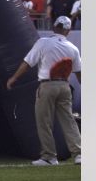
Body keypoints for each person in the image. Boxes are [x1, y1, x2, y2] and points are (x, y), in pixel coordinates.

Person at [6, 16, 82, 165]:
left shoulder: (43, 42)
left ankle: (49, 156)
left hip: (47, 85)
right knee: (68, 120)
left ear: (54, 27)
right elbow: (79, 73)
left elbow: (27, 63)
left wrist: (13, 78)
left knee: (44, 121)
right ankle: (79, 153)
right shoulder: (73, 48)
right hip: (65, 86)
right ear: (68, 30)